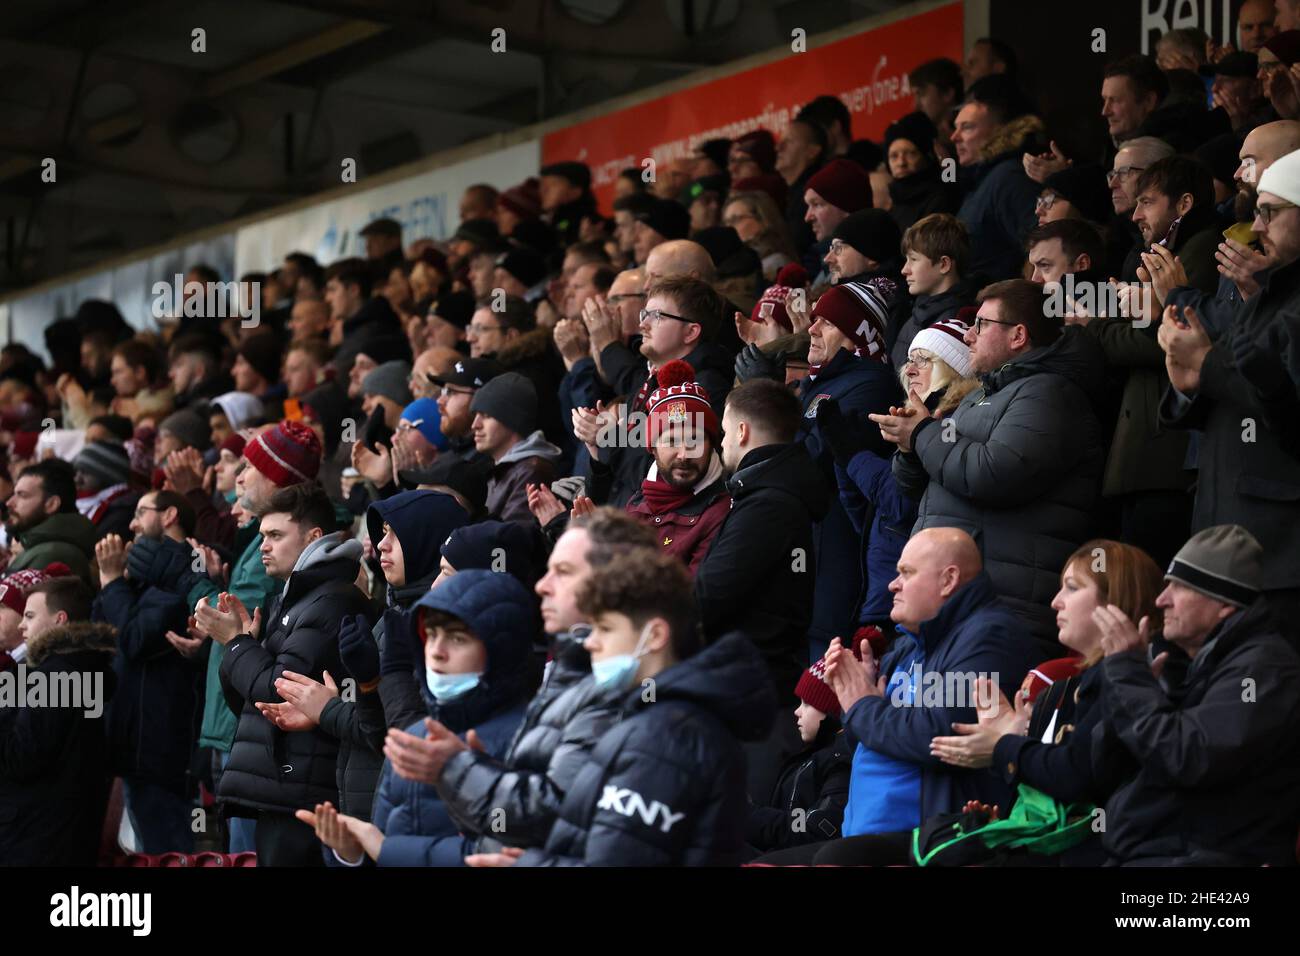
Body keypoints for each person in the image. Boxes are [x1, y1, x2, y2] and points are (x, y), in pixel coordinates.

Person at [466, 550, 776, 867]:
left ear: (654, 635)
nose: (589, 642)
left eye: (605, 628)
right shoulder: (661, 720)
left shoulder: (668, 736)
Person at [753, 528, 1038, 865]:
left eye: (907, 573)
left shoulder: (990, 636)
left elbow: (942, 735)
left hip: (930, 838)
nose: (892, 584)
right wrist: (853, 701)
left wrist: (861, 705)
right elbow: (864, 737)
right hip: (862, 833)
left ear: (948, 580)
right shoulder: (904, 645)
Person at [387, 511, 655, 856]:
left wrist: (458, 770)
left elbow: (559, 814)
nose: (543, 585)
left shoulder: (617, 688)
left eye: (564, 572)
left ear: (616, 584)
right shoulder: (567, 673)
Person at [878, 280, 1106, 644]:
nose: (969, 335)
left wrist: (921, 435)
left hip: (1004, 607)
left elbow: (993, 473)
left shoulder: (1050, 394)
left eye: (982, 324)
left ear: (1018, 335)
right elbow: (923, 488)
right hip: (958, 603)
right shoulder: (980, 395)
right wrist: (908, 448)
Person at [298, 569, 539, 866]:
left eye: (458, 639)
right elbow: (380, 850)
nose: (436, 652)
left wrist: (384, 848)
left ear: (500, 650)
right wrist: (350, 854)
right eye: (432, 635)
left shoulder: (531, 742)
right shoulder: (414, 737)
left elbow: (504, 856)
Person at [1092, 525, 1300, 865]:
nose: (1161, 600)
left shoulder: (1264, 672)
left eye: (1180, 586)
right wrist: (1133, 691)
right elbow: (1103, 770)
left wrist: (1128, 679)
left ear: (1224, 605)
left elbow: (1186, 757)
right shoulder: (1200, 663)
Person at [1158, 147, 1300, 619]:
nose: (1256, 227)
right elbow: (1229, 388)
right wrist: (1187, 383)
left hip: (1278, 547)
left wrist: (1207, 365)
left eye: (1270, 212)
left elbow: (1288, 408)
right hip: (1223, 527)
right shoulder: (1269, 291)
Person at [201, 483, 371, 866]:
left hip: (305, 794)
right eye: (262, 536)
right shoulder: (294, 598)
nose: (263, 546)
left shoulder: (331, 601)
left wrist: (236, 645)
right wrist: (245, 644)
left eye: (276, 535)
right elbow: (250, 705)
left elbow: (278, 692)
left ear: (313, 537)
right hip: (284, 789)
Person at [695, 379, 828, 798]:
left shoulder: (768, 505)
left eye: (724, 429)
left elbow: (709, 596)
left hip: (753, 700)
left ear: (741, 432)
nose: (719, 443)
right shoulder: (770, 494)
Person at [92, 491, 201, 854]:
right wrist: (116, 583)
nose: (132, 524)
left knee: (169, 851)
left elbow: (136, 638)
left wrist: (112, 582)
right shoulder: (142, 576)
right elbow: (101, 633)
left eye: (141, 513)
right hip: (137, 742)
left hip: (160, 747)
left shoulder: (179, 572)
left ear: (169, 514)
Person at [0, 576, 116, 866]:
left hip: (37, 838)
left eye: (29, 616)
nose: (21, 626)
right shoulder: (78, 669)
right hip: (57, 834)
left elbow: (21, 757)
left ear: (59, 620)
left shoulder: (55, 677)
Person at [623, 361, 730, 573]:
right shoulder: (638, 501)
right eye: (671, 442)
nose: (684, 454)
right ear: (652, 448)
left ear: (712, 445)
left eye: (695, 441)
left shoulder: (723, 512)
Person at [744, 651, 852, 856]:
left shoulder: (839, 761)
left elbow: (814, 828)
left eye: (807, 703)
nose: (797, 711)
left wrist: (749, 816)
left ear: (831, 710)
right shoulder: (814, 755)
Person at [953, 79, 1045, 280]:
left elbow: (1041, 246)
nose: (954, 137)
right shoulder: (982, 179)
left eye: (967, 127)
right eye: (955, 127)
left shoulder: (1009, 177)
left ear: (1000, 130)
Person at [469, 372, 563, 524]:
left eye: (486, 415)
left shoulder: (531, 472)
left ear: (512, 419)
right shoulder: (507, 469)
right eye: (475, 415)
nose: (475, 425)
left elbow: (510, 540)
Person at [892, 213, 977, 367]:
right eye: (906, 260)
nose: (905, 270)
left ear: (944, 264)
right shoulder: (918, 313)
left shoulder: (956, 322)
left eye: (914, 259)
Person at [5, 459, 96, 583]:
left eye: (22, 495)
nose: (9, 503)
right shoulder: (35, 546)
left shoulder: (52, 555)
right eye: (14, 494)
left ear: (52, 504)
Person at [72, 440, 140, 543]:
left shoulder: (122, 513)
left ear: (109, 477)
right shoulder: (84, 502)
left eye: (85, 472)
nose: (77, 479)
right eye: (77, 471)